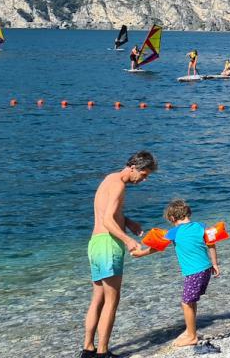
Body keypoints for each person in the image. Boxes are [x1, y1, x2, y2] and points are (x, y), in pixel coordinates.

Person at [82, 151, 156, 358]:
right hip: (108, 245)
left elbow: (108, 214)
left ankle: (88, 348)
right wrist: (128, 240)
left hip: (95, 244)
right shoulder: (119, 185)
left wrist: (128, 221)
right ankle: (103, 352)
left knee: (97, 299)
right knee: (112, 300)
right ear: (133, 168)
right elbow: (108, 221)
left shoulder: (109, 179)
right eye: (143, 174)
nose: (144, 179)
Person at [134, 199, 221, 348]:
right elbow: (211, 243)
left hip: (195, 272)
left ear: (173, 219)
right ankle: (190, 330)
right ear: (188, 214)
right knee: (191, 301)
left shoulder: (174, 231)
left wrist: (141, 253)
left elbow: (157, 247)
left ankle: (192, 336)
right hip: (206, 269)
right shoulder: (201, 226)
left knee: (186, 303)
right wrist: (214, 263)